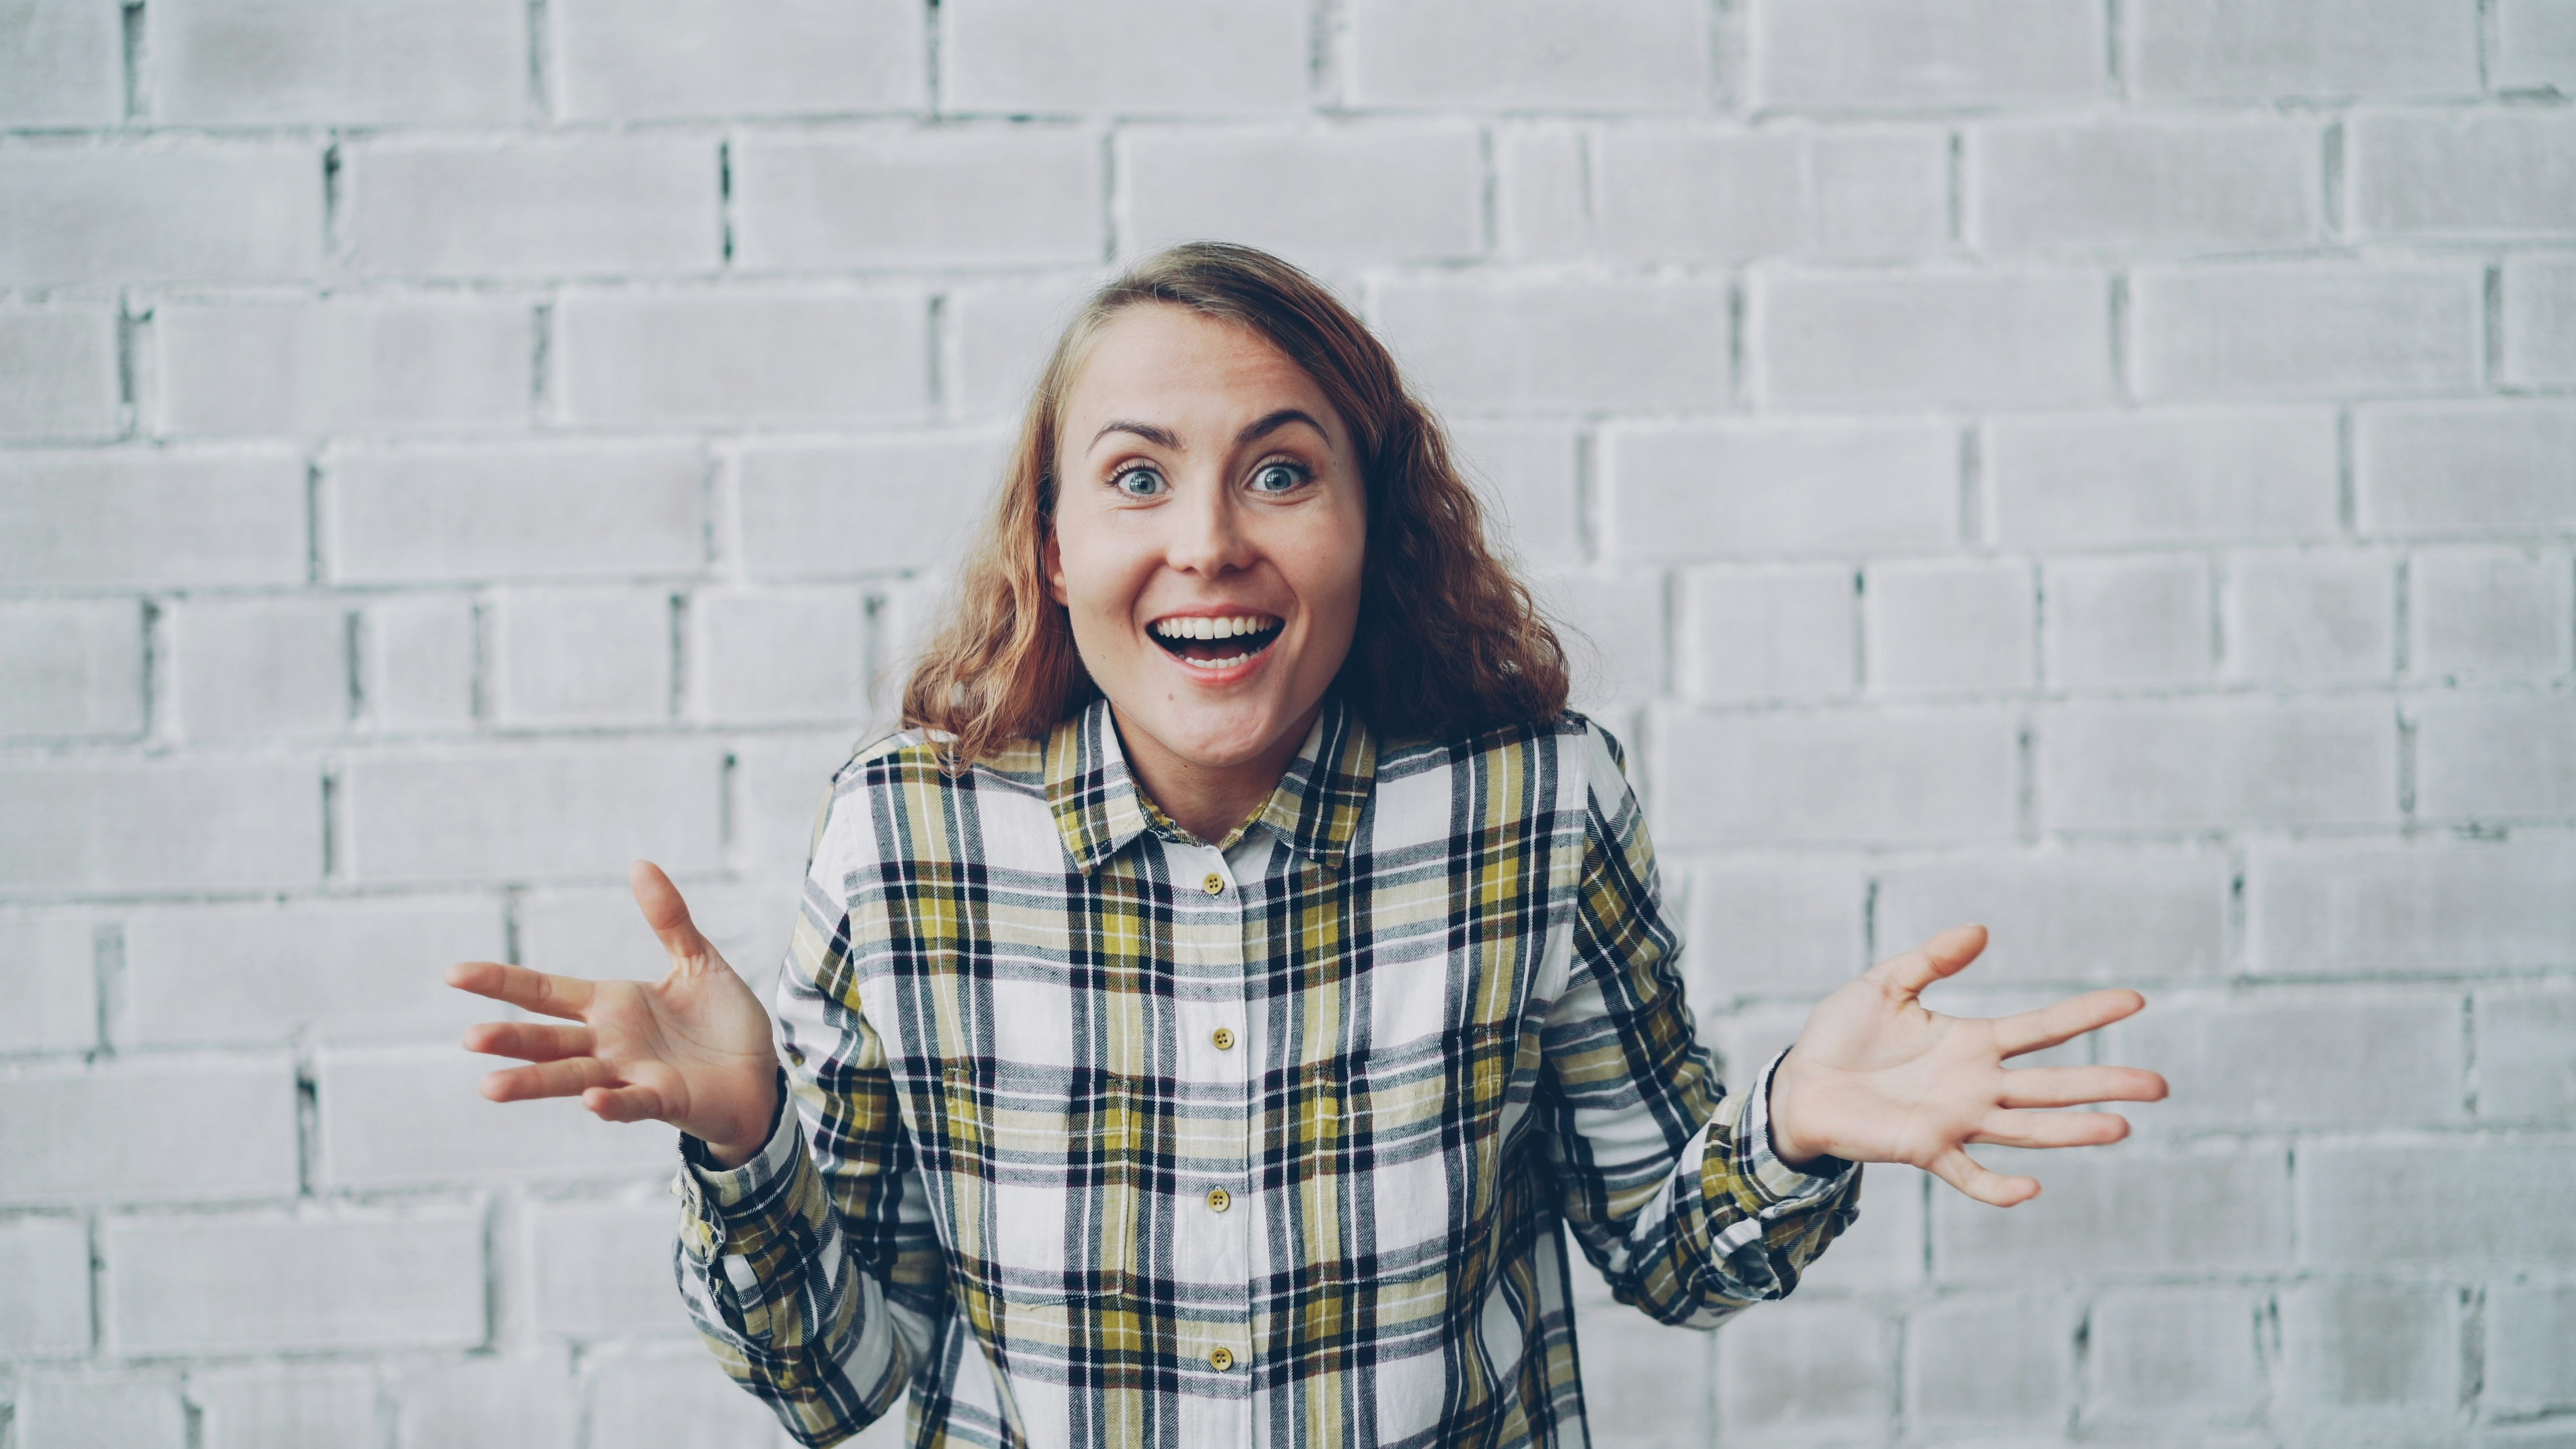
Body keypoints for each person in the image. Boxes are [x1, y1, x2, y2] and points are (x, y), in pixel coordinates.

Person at [445, 242, 2167, 1448]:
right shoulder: (905, 843)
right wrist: (747, 1142)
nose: (1207, 542)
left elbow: (1664, 1251)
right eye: (1136, 479)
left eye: (1279, 473)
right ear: (1049, 546)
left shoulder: (1536, 812)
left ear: (1368, 520)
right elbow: (842, 1383)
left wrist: (1788, 1121)